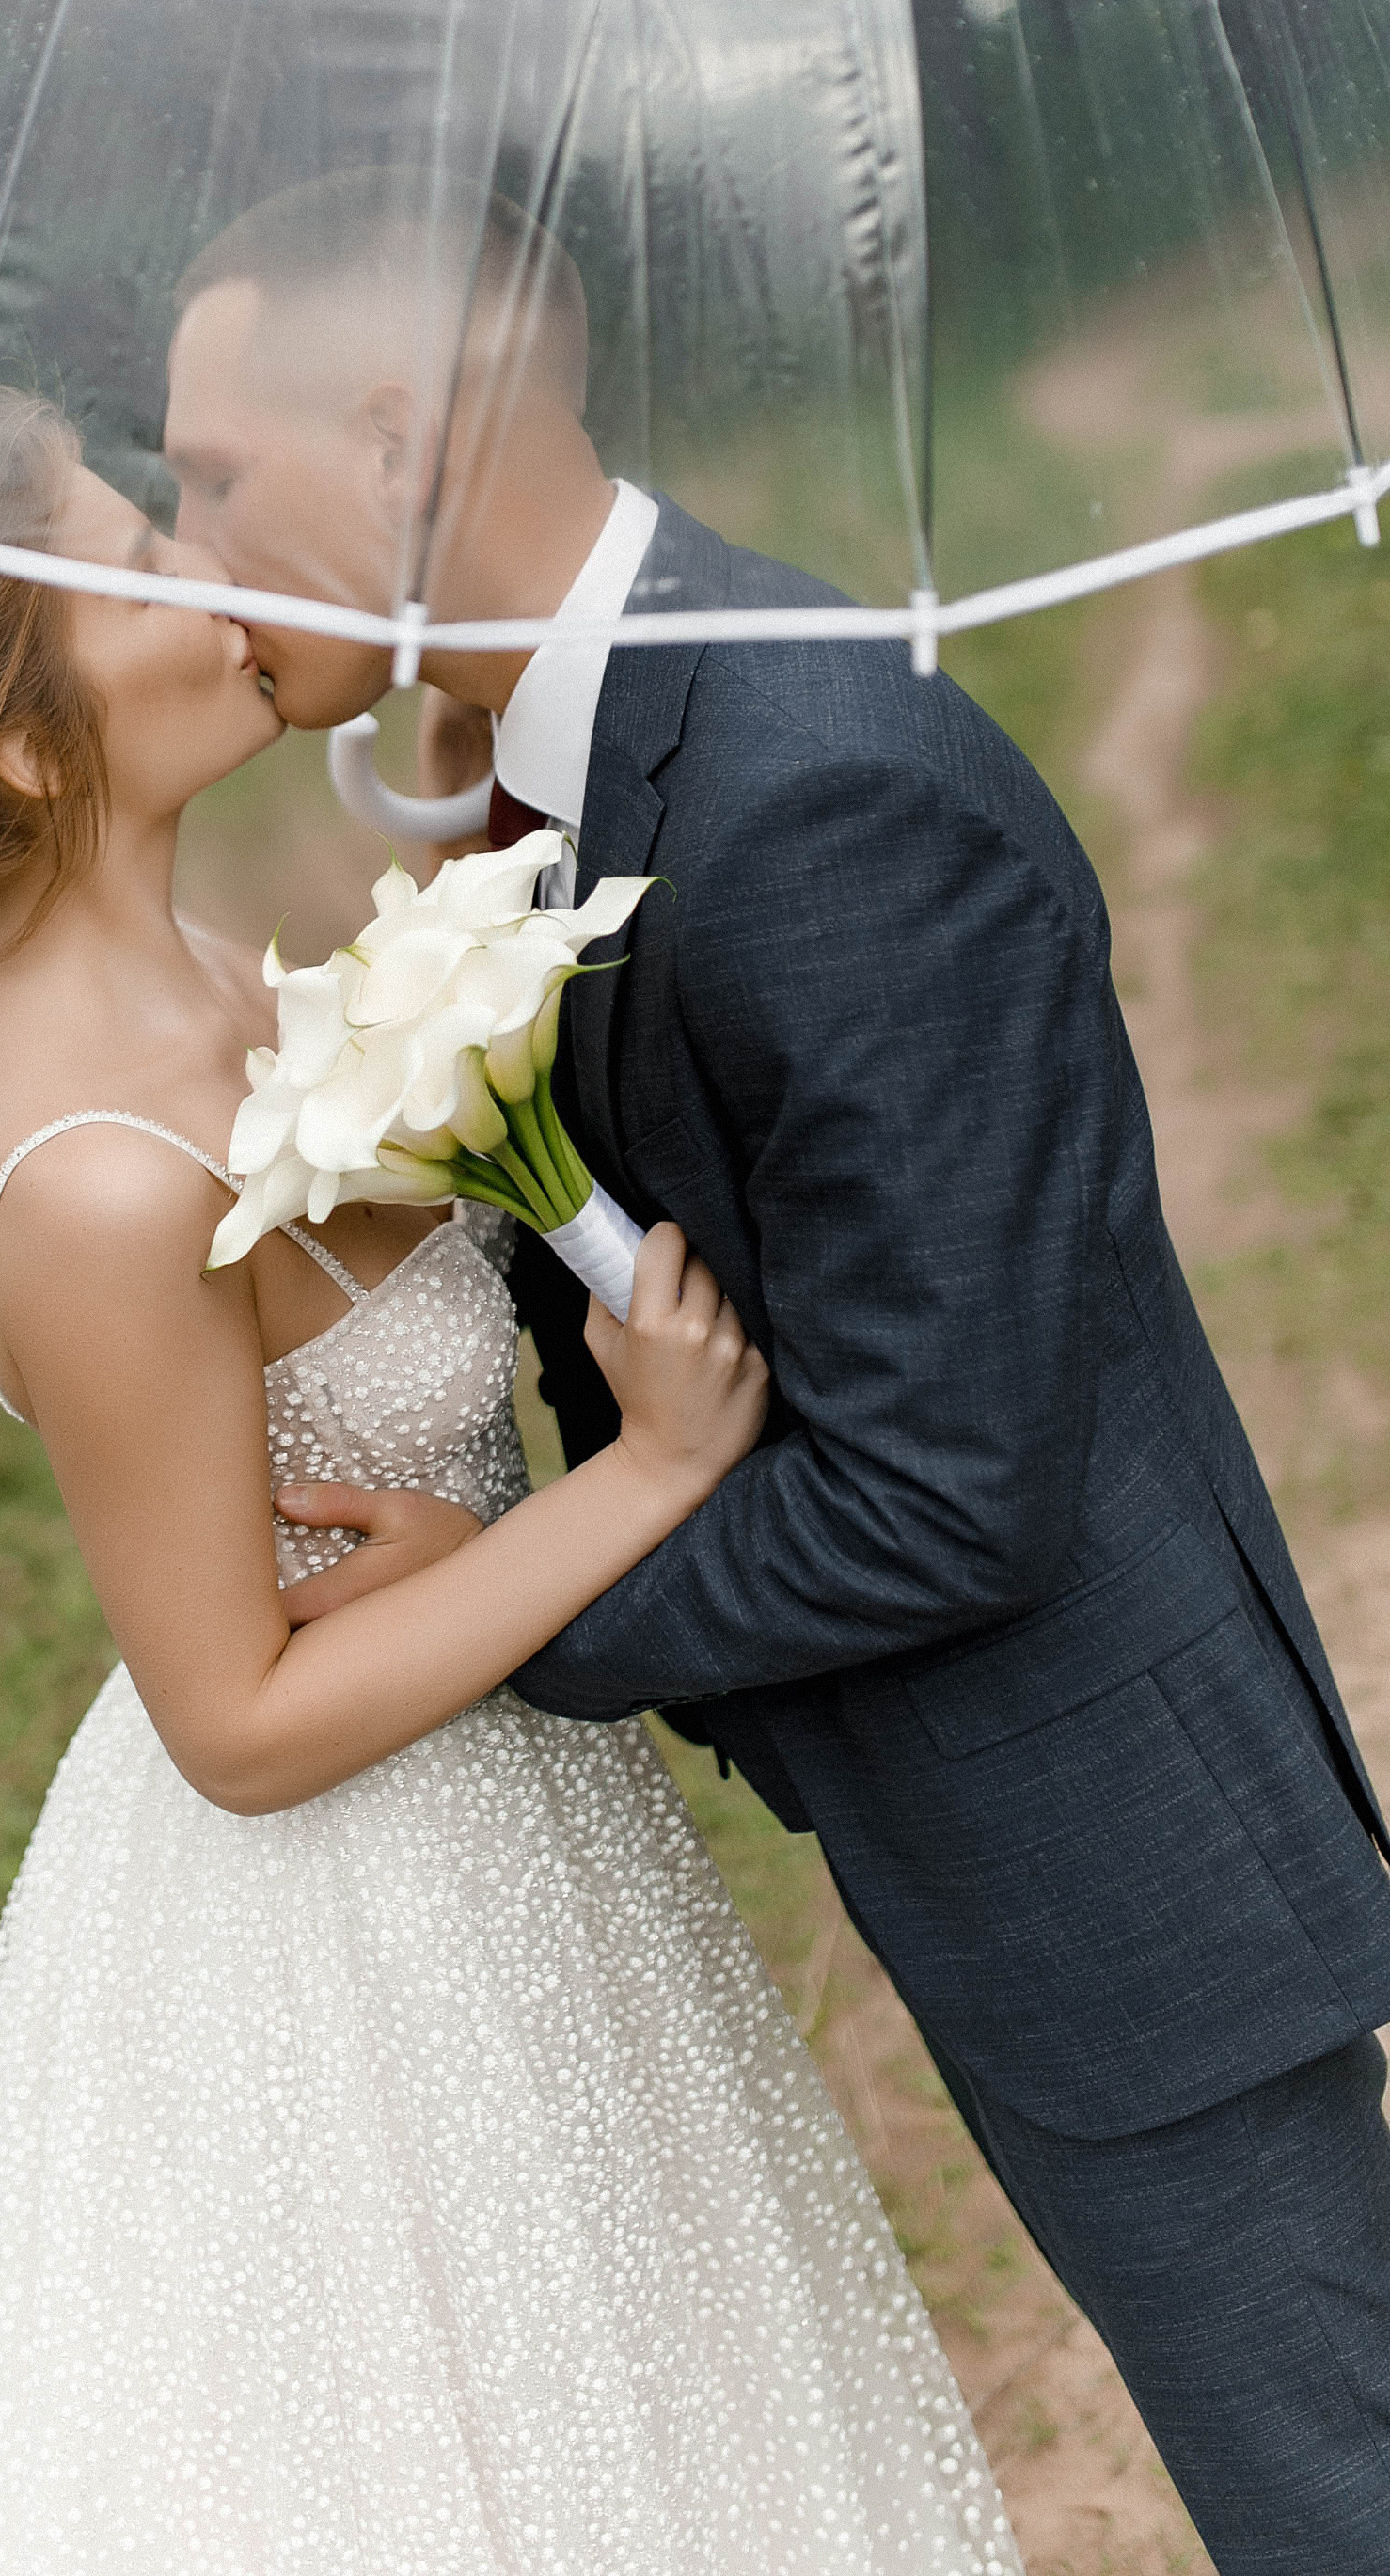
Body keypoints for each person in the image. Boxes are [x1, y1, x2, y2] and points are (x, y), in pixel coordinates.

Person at [0, 386, 1019, 2572]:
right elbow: (230, 1720)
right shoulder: (84, 1188)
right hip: (339, 1911)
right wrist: (637, 1488)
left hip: (507, 1807)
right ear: (34, 748)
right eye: (142, 561)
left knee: (608, 2403)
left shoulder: (218, 972)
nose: (211, 563)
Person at [161, 167, 1390, 2576]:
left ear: (398, 432)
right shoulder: (593, 733)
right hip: (1021, 1854)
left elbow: (945, 1489)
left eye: (213, 475)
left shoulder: (817, 788)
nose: (181, 538)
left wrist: (511, 1614)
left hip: (1125, 1880)